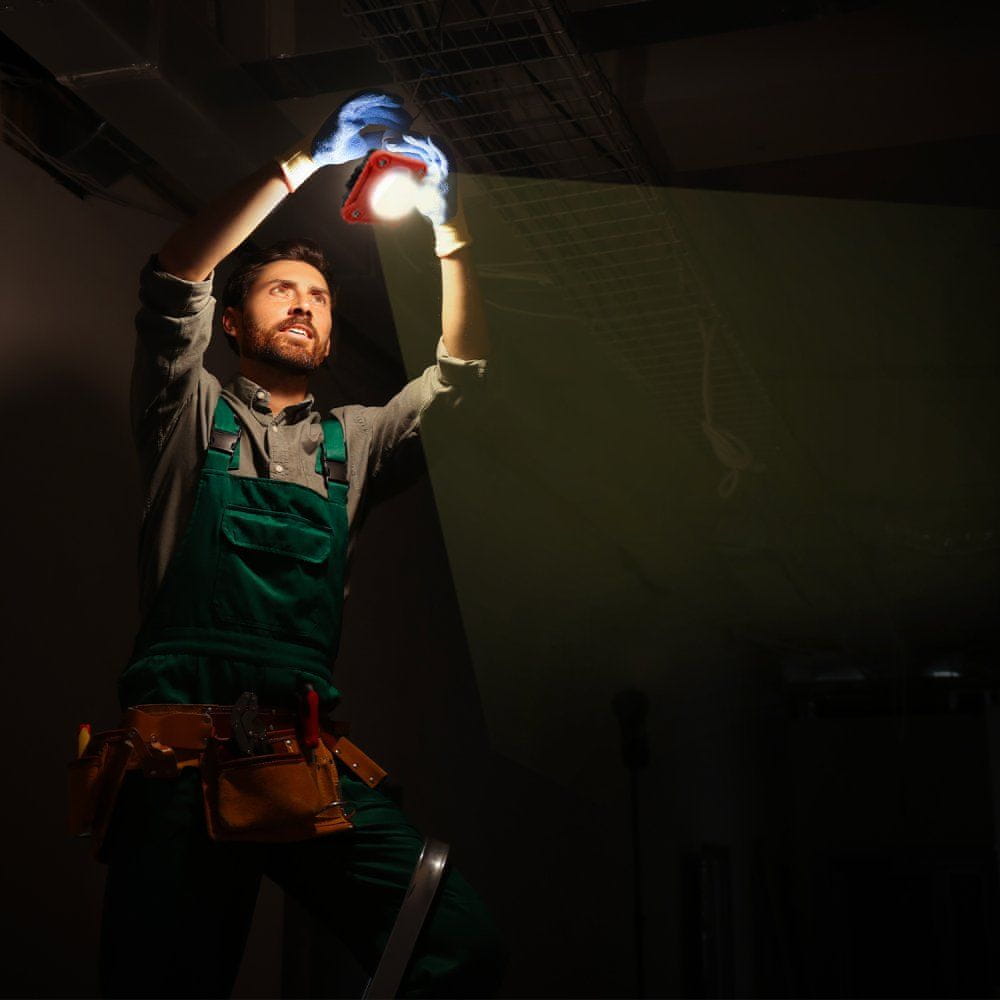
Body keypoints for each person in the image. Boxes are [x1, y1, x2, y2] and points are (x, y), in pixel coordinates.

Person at [95, 91, 505, 998]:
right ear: (232, 323)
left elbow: (463, 381)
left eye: (319, 297)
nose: (305, 305)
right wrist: (303, 160)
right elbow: (175, 277)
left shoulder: (355, 442)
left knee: (456, 937)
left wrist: (452, 232)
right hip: (176, 762)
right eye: (281, 289)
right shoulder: (186, 412)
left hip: (299, 756)